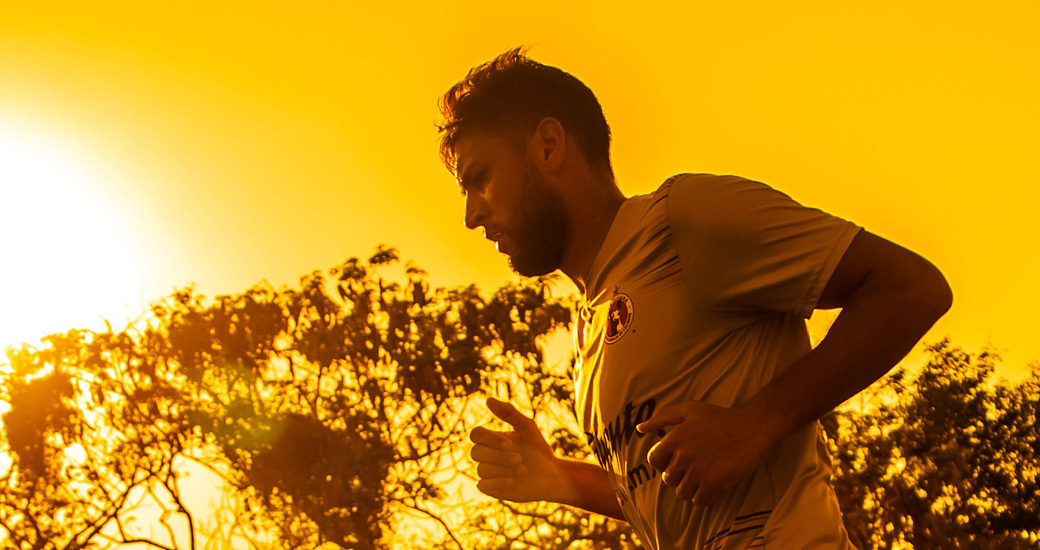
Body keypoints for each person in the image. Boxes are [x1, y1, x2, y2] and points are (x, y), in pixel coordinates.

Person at [437, 47, 952, 550]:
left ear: (548, 145)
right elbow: (677, 491)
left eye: (479, 179)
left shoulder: (684, 220)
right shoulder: (589, 327)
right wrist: (561, 479)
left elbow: (912, 288)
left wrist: (757, 424)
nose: (470, 215)